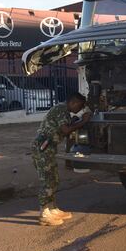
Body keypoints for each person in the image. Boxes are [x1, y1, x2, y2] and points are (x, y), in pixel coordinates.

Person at [31, 92, 91, 226]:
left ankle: (52, 208)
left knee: (54, 179)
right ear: (73, 102)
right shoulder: (61, 109)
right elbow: (65, 130)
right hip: (43, 147)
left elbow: (67, 127)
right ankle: (44, 213)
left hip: (49, 147)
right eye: (80, 106)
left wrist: (78, 122)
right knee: (47, 179)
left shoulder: (65, 111)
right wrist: (83, 121)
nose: (80, 109)